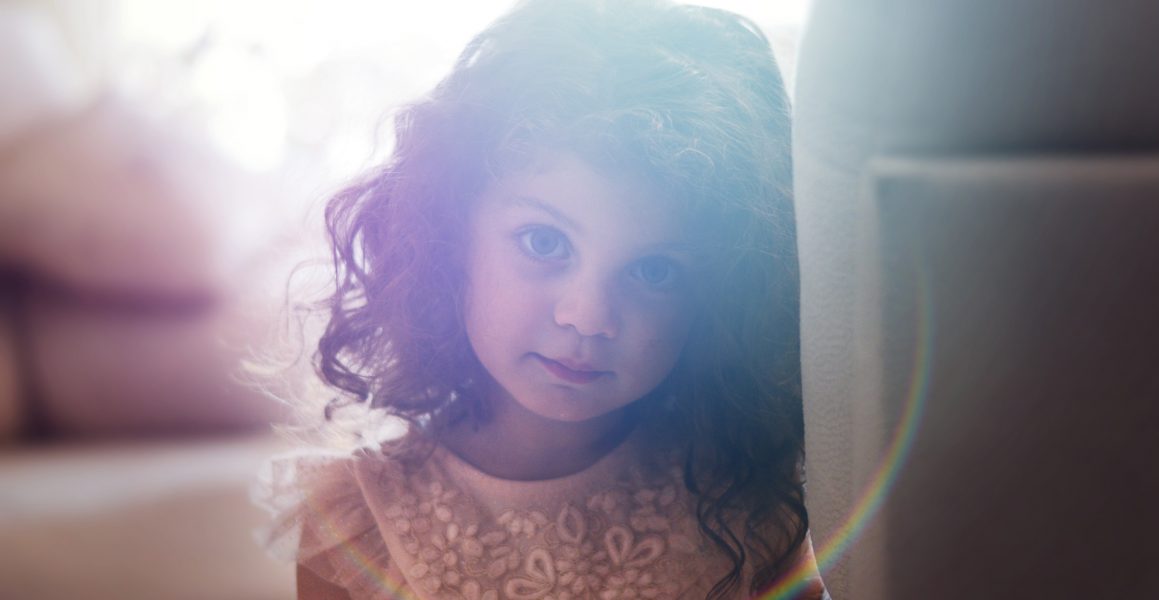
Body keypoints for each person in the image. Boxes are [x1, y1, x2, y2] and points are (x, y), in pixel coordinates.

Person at [255, 0, 827, 598]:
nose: (588, 317)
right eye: (544, 241)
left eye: (654, 271)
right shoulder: (358, 521)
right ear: (449, 231)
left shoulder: (746, 499)